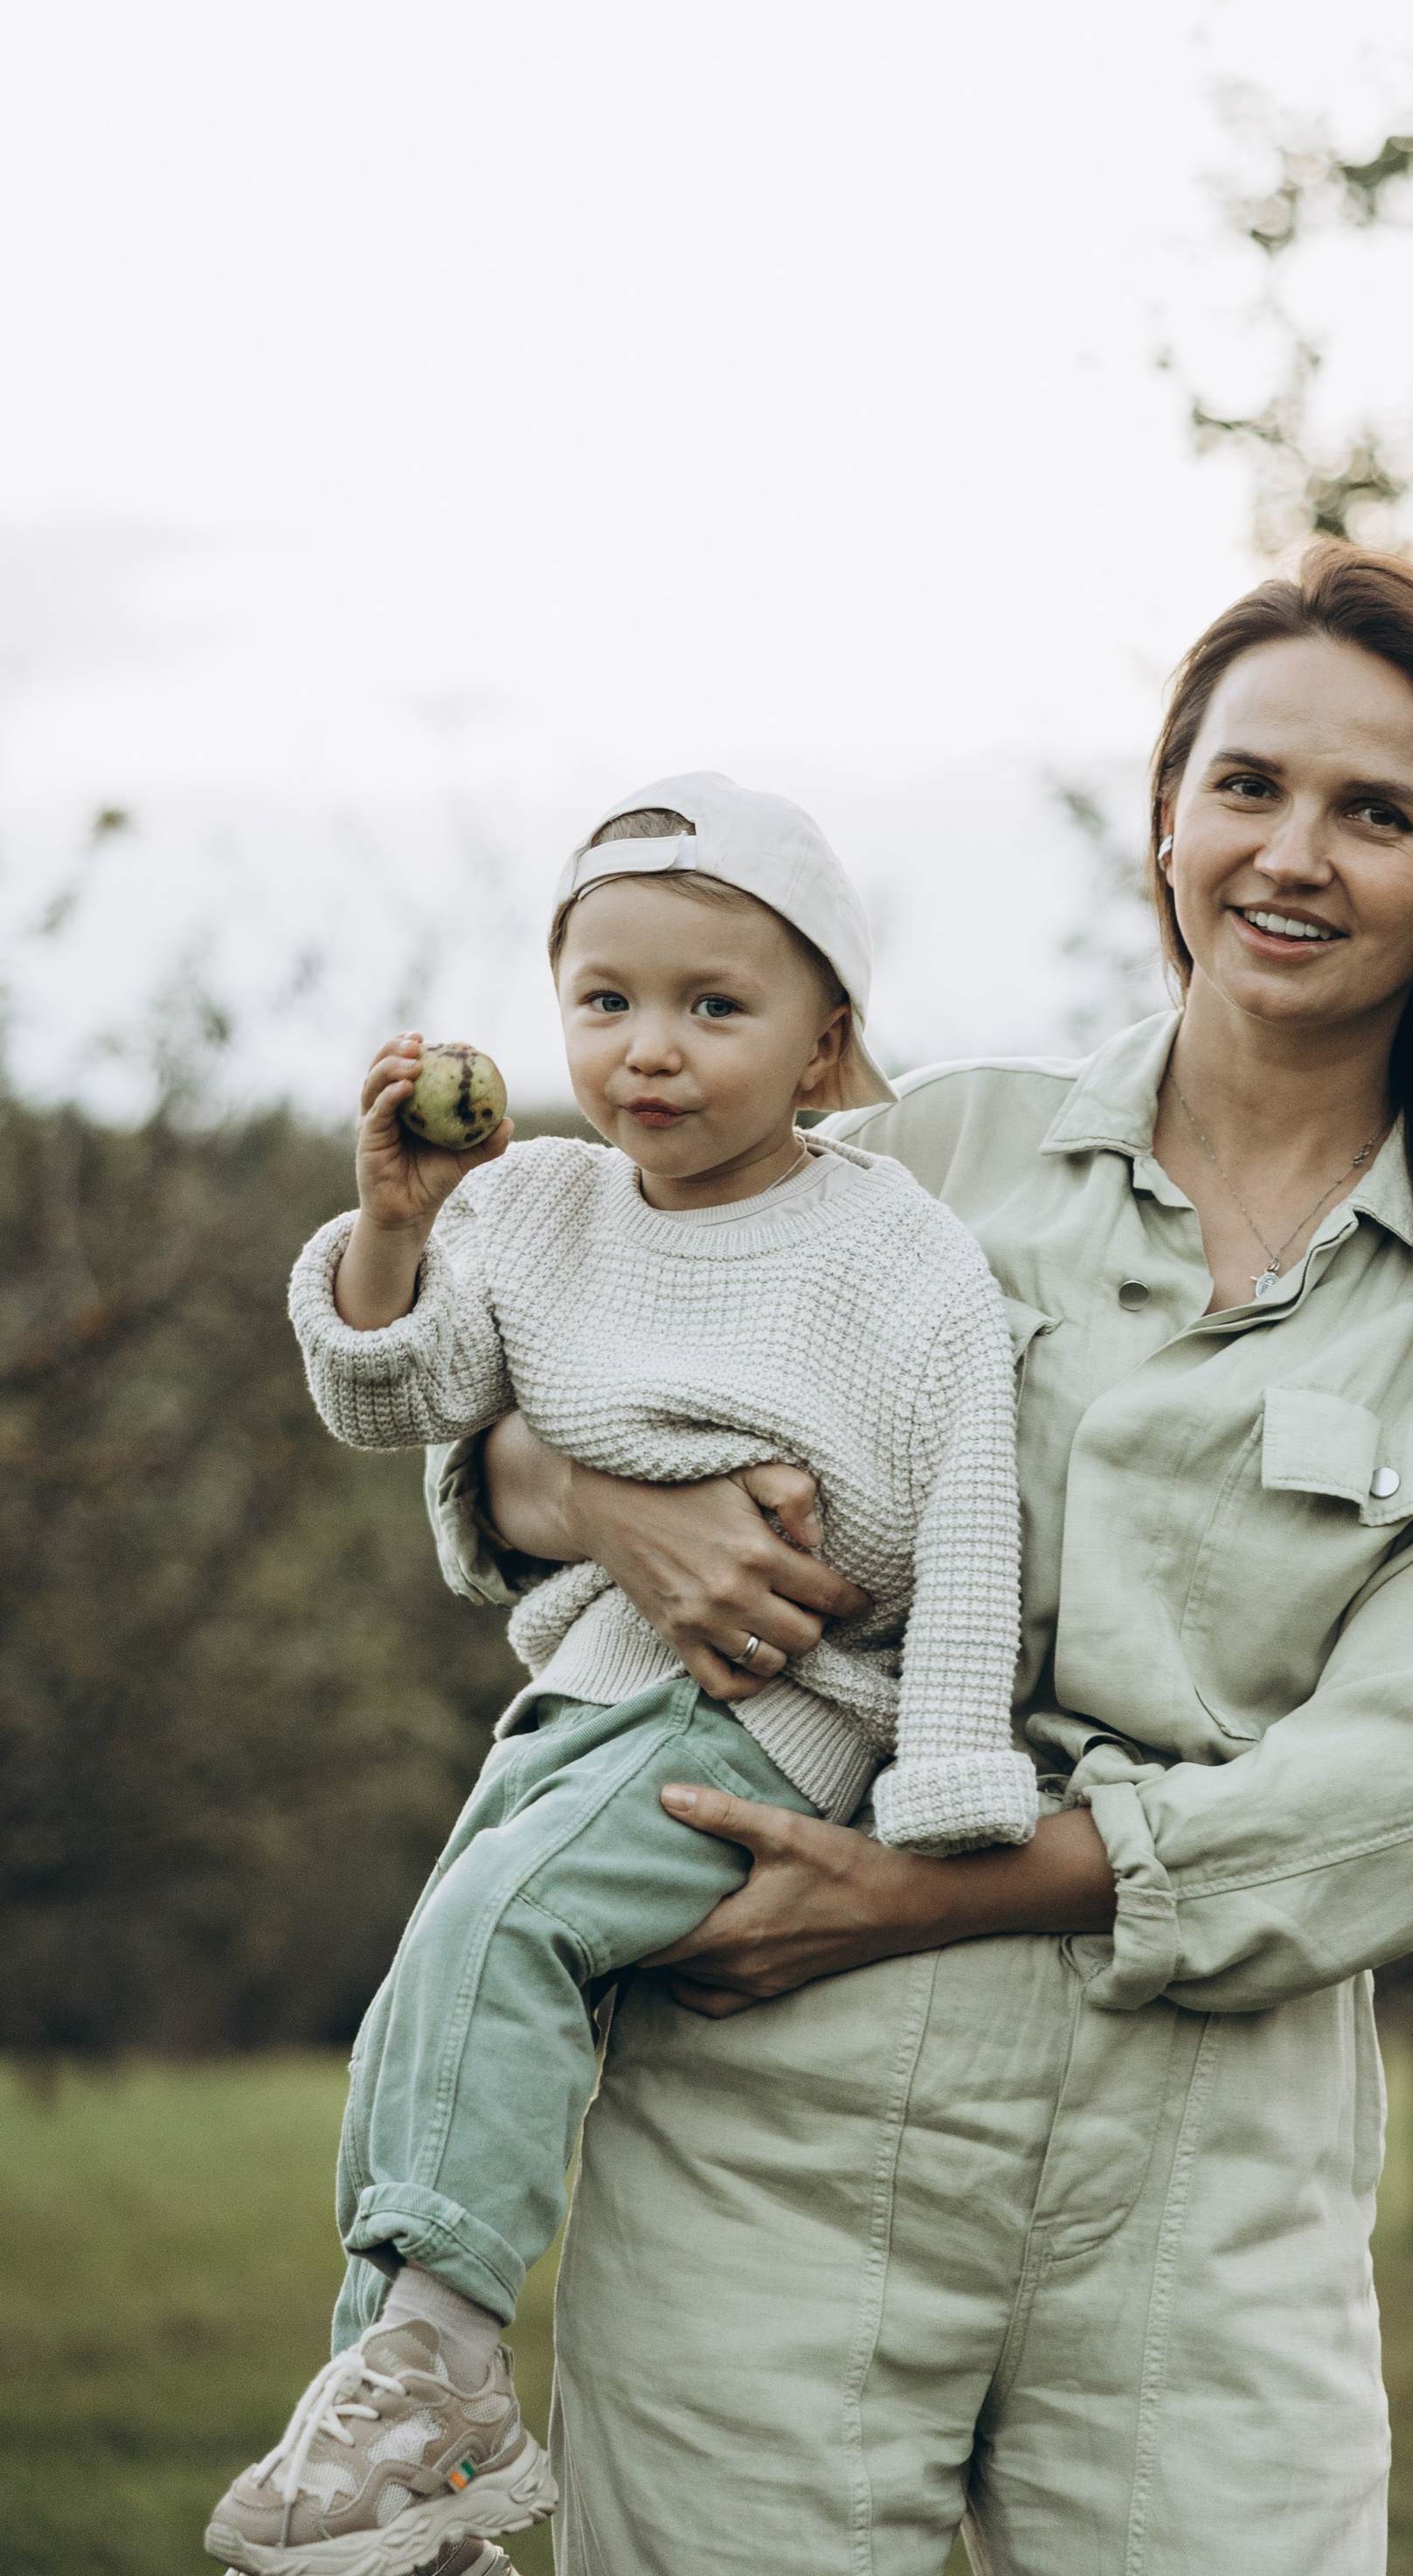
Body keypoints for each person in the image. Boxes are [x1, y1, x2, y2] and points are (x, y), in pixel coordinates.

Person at [454, 547, 1413, 2576]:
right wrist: (590, 1495)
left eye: (1375, 812)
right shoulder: (922, 1165)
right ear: (1165, 818)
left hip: (1200, 2158)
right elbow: (525, 1387)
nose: (1292, 854)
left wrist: (917, 1893)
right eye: (1244, 785)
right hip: (773, 2120)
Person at [206, 777, 1036, 2576]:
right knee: (438, 1987)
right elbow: (386, 1398)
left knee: (495, 1931)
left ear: (825, 1050)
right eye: (605, 1002)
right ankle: (404, 2429)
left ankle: (429, 2384)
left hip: (781, 1709)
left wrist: (954, 1767)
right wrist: (398, 1223)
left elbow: (971, 1496)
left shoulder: (890, 1251)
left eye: (709, 1008)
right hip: (584, 1697)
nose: (647, 1051)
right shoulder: (541, 1211)